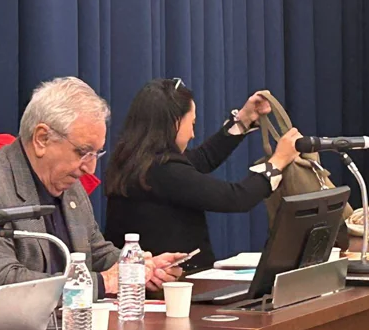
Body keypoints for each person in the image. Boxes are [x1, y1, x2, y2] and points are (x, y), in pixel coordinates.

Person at [0, 77, 184, 301]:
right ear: (42, 138)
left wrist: (137, 267)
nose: (91, 169)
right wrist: (103, 283)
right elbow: (4, 284)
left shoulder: (67, 182)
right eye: (83, 152)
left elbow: (95, 251)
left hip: (68, 329)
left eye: (96, 154)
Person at [103, 79, 302, 272]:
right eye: (192, 124)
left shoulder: (137, 161)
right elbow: (236, 198)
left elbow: (202, 158)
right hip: (173, 287)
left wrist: (243, 121)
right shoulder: (163, 171)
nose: (192, 134)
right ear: (175, 123)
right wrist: (278, 162)